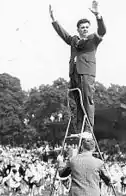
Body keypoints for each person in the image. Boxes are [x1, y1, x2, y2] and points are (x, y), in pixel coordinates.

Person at [49, 0, 106, 133]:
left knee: (87, 101)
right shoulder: (74, 40)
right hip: (74, 74)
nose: (85, 29)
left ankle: (88, 130)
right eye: (82, 27)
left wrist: (98, 15)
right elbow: (63, 35)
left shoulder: (93, 39)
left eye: (87, 27)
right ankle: (80, 130)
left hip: (86, 73)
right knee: (77, 104)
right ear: (78, 29)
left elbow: (102, 31)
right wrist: (54, 20)